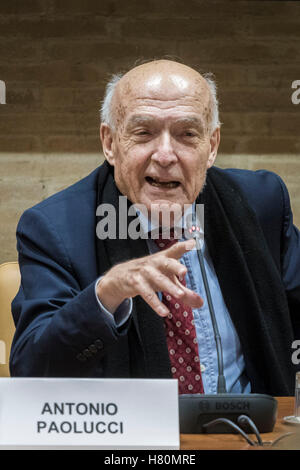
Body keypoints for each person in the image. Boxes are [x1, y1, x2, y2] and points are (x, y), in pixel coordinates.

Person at [10, 59, 300, 396]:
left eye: (187, 134)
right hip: (127, 440)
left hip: (252, 435)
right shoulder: (54, 229)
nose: (164, 155)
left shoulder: (259, 202)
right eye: (144, 133)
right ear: (110, 143)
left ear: (212, 145)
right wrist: (106, 295)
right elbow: (32, 372)